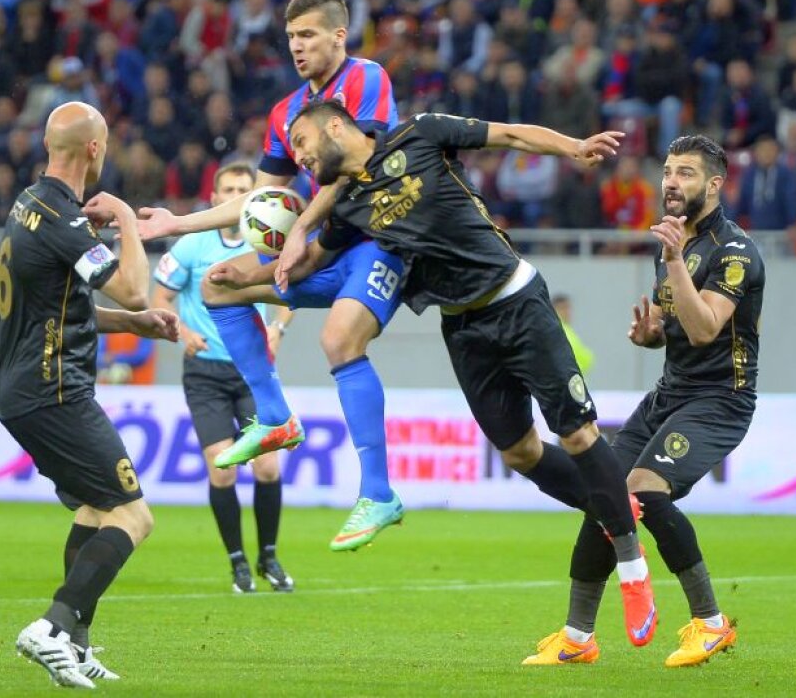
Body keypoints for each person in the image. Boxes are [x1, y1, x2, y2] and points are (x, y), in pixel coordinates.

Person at [250, 99, 656, 659]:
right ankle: (614, 505)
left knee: (581, 436)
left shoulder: (420, 134)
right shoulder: (347, 209)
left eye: (300, 139)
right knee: (519, 453)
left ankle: (634, 570)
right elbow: (311, 262)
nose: (296, 154)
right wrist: (258, 267)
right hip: (462, 328)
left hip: (517, 300)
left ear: (336, 125)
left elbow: (509, 134)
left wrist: (573, 146)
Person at [127, 0, 406, 552]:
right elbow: (260, 198)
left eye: (308, 35)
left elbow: (360, 167)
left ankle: (378, 492)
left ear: (337, 35)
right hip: (324, 245)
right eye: (291, 38)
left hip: (380, 238)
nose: (298, 47)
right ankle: (275, 415)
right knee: (219, 283)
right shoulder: (284, 113)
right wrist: (178, 223)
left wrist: (300, 230)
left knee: (337, 340)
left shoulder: (367, 78)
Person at [0, 101, 180, 688]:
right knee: (134, 515)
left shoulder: (30, 206)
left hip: (22, 387)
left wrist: (136, 325)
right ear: (95, 149)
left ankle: (73, 641)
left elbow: (58, 306)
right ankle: (51, 626)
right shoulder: (65, 219)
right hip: (54, 393)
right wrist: (125, 216)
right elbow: (131, 285)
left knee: (98, 511)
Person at [568, 135, 765, 668]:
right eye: (668, 172)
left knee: (643, 491)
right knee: (605, 492)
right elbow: (673, 327)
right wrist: (650, 334)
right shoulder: (672, 244)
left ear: (715, 185)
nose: (672, 183)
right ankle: (576, 637)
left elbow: (704, 331)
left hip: (721, 399)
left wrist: (675, 259)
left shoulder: (736, 251)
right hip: (671, 393)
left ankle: (711, 623)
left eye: (685, 174)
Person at [150, 162, 294, 593]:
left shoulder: (269, 243)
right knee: (223, 470)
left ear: (253, 199)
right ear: (215, 200)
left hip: (253, 371)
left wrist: (277, 327)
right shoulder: (193, 245)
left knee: (268, 465)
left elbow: (288, 292)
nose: (235, 195)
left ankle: (268, 556)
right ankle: (238, 564)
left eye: (244, 190)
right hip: (206, 374)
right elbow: (161, 297)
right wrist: (183, 333)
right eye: (228, 189)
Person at [551, 293, 596, 375]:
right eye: (562, 308)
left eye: (568, 308)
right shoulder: (558, 331)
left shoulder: (567, 331)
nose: (567, 312)